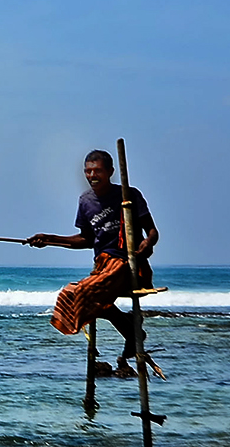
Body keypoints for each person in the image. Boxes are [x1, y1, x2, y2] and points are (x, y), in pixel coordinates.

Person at [27, 149, 159, 375]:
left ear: (110, 172)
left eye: (97, 170)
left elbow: (153, 232)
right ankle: (131, 330)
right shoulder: (86, 201)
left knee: (87, 292)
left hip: (129, 266)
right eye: (87, 171)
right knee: (74, 293)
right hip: (103, 266)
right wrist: (49, 239)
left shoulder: (129, 195)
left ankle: (131, 330)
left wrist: (147, 245)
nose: (92, 175)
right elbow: (86, 240)